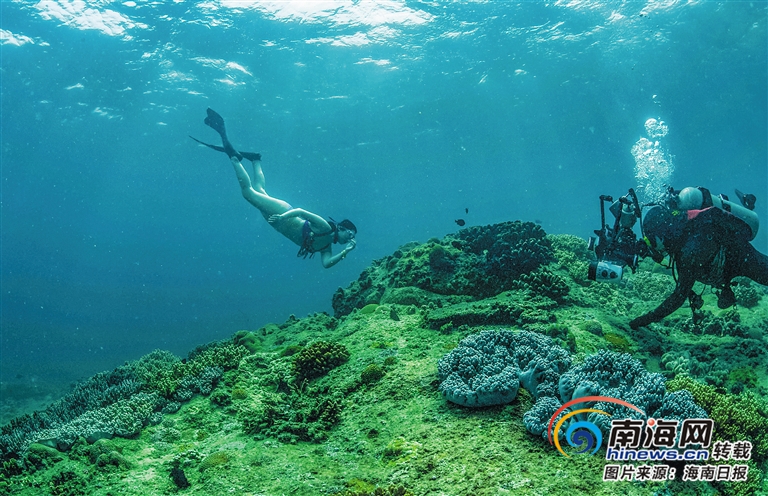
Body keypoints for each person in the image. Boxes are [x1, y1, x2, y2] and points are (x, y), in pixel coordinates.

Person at [191, 108, 357, 269]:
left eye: (352, 238)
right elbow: (301, 211)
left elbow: (326, 264)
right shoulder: (324, 227)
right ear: (341, 228)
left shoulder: (326, 246)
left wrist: (346, 251)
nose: (349, 239)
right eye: (349, 234)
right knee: (248, 193)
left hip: (277, 221)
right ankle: (235, 158)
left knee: (259, 191)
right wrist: (281, 218)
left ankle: (256, 160)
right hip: (281, 213)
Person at [629, 187, 768, 329]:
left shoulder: (689, 252)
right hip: (730, 263)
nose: (653, 248)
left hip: (740, 258)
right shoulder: (679, 238)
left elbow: (678, 297)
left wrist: (645, 320)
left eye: (652, 241)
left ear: (664, 234)